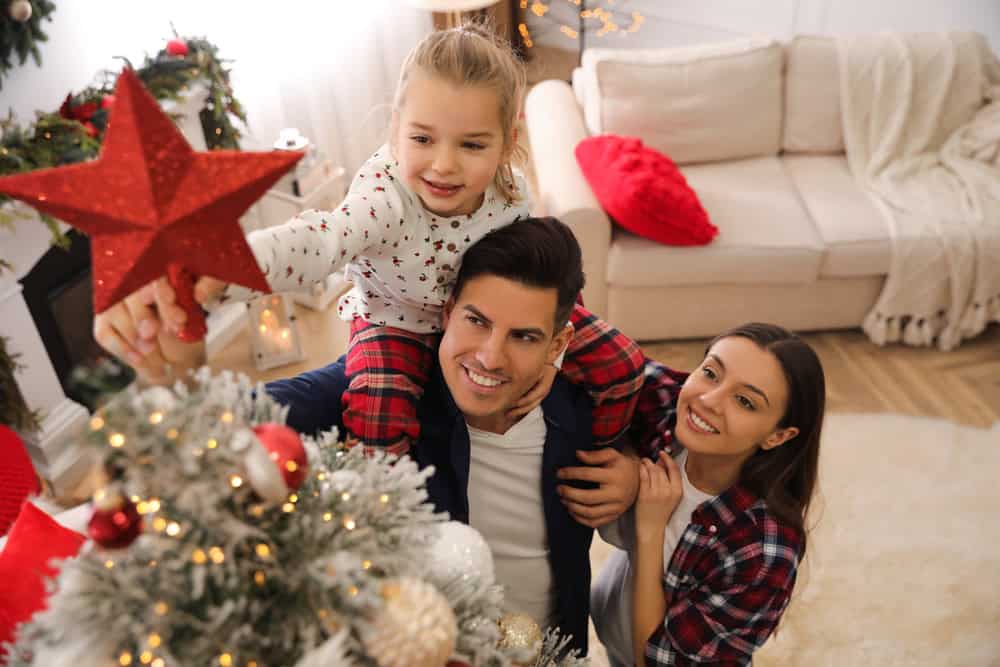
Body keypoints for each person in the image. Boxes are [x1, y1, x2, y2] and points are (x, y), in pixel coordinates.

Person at [95, 216, 643, 655]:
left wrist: (635, 471)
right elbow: (230, 422)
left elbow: (708, 403)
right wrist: (172, 365)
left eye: (524, 336)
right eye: (476, 321)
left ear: (558, 344)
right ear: (446, 312)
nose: (490, 357)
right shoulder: (385, 392)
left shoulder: (583, 409)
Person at [175, 24, 644, 458]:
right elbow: (318, 241)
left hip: (490, 317)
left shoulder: (512, 193)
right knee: (379, 414)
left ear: (507, 141)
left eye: (472, 145)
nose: (443, 165)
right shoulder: (383, 198)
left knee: (620, 361)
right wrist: (225, 264)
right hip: (395, 320)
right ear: (397, 126)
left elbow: (545, 273)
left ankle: (586, 460)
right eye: (422, 139)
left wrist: (552, 354)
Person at [591, 323, 825, 667]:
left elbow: (656, 662)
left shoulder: (762, 552)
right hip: (611, 647)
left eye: (744, 401)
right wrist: (628, 462)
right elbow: (585, 337)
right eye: (712, 373)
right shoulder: (673, 413)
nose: (709, 401)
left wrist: (650, 531)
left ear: (777, 436)